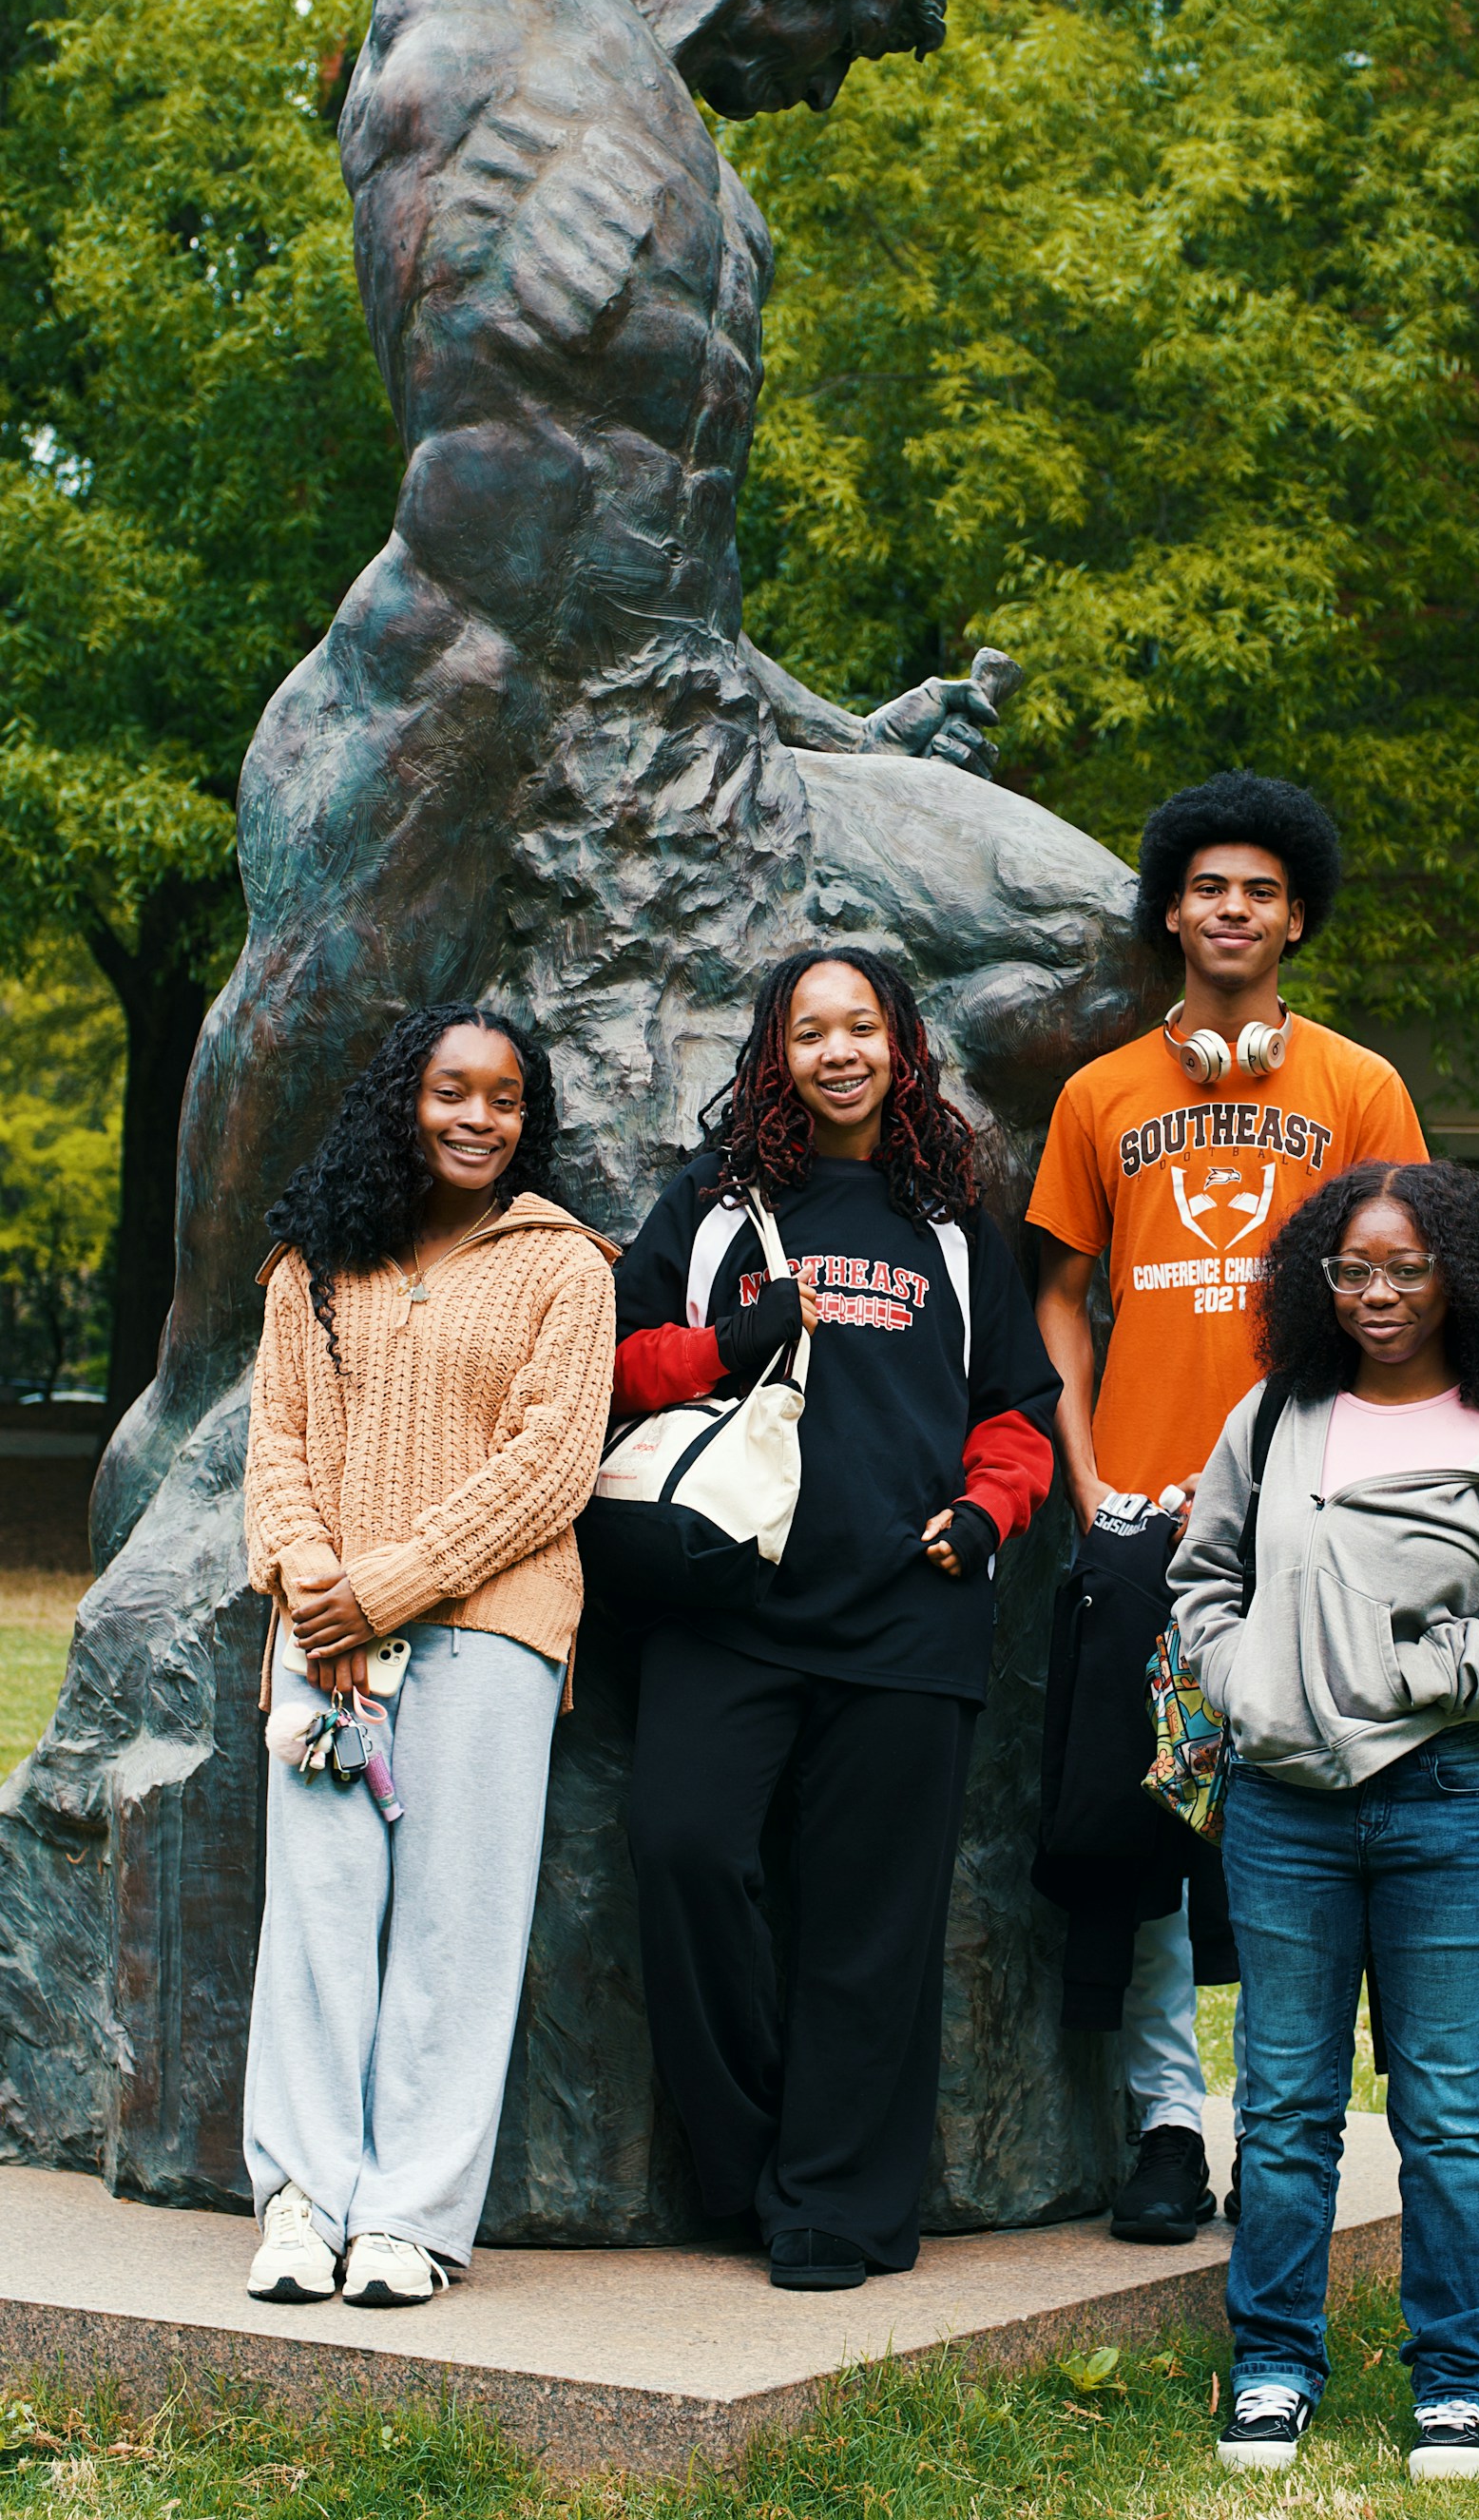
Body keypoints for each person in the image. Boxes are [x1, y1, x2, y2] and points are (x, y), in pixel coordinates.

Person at [611, 947, 1060, 2290]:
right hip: (725, 1604)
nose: (839, 1050)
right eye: (810, 1031)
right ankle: (751, 2164)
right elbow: (616, 1364)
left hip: (908, 1622)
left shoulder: (949, 1222)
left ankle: (838, 2210)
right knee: (682, 1851)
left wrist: (985, 1516)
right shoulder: (714, 1204)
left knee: (876, 1925)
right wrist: (723, 1343)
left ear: (899, 1047)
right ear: (777, 1055)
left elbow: (1020, 1413)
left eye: (861, 1025)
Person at [1028, 772, 1426, 2243]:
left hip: (1309, 1524)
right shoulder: (1102, 1096)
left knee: (1293, 1829)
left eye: (1259, 889)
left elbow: (1411, 1295)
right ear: (1173, 914)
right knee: (1140, 1829)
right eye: (1207, 888)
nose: (1233, 910)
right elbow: (1059, 1302)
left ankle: (1280, 2134)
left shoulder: (1358, 1088)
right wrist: (1087, 1473)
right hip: (1141, 1528)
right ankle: (1165, 2129)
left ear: (1296, 917)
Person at [1172, 1161, 1479, 2481]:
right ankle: (1271, 2366)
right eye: (1352, 1268)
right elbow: (1204, 1578)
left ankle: (1463, 2380)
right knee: (1289, 2105)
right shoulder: (1277, 1417)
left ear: (1461, 1277)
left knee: (1445, 2109)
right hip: (1287, 1810)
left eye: (1406, 1269)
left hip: (1447, 1805)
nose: (1376, 1294)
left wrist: (1409, 1673)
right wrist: (1249, 1679)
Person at [240, 1005, 618, 2306]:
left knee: (458, 1924)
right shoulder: (316, 1261)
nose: (478, 1119)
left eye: (505, 1100)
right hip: (323, 1642)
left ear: (529, 1119)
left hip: (485, 1637)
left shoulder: (565, 1266)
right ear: (406, 1098)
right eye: (453, 1092)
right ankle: (299, 2198)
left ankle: (408, 2217)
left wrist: (385, 1590)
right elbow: (276, 1445)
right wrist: (312, 1587)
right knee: (318, 1915)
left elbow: (552, 1466)